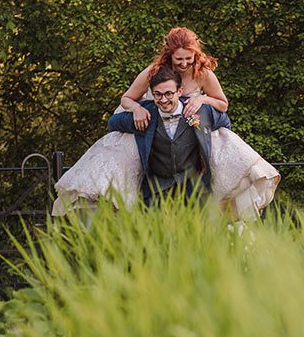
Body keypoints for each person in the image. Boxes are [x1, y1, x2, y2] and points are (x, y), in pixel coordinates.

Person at [52, 27, 280, 219]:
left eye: (188, 59)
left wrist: (201, 98)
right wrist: (138, 108)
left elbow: (222, 104)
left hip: (191, 134)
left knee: (224, 170)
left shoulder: (203, 73)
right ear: (169, 55)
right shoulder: (154, 73)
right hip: (154, 128)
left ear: (195, 54)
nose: (183, 64)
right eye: (178, 59)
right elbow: (126, 99)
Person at [108, 65, 226, 205]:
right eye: (158, 94)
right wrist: (136, 109)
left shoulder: (202, 112)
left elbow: (225, 124)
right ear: (152, 93)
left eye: (169, 93)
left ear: (180, 91)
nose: (163, 100)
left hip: (194, 189)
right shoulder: (145, 115)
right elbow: (113, 123)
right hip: (155, 191)